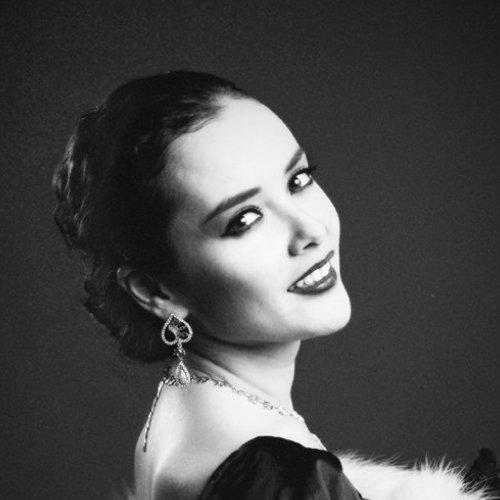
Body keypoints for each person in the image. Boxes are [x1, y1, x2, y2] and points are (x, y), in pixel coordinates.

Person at [53, 71, 498, 500]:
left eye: (298, 180)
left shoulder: (191, 412)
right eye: (245, 219)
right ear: (156, 291)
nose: (311, 230)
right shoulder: (277, 476)